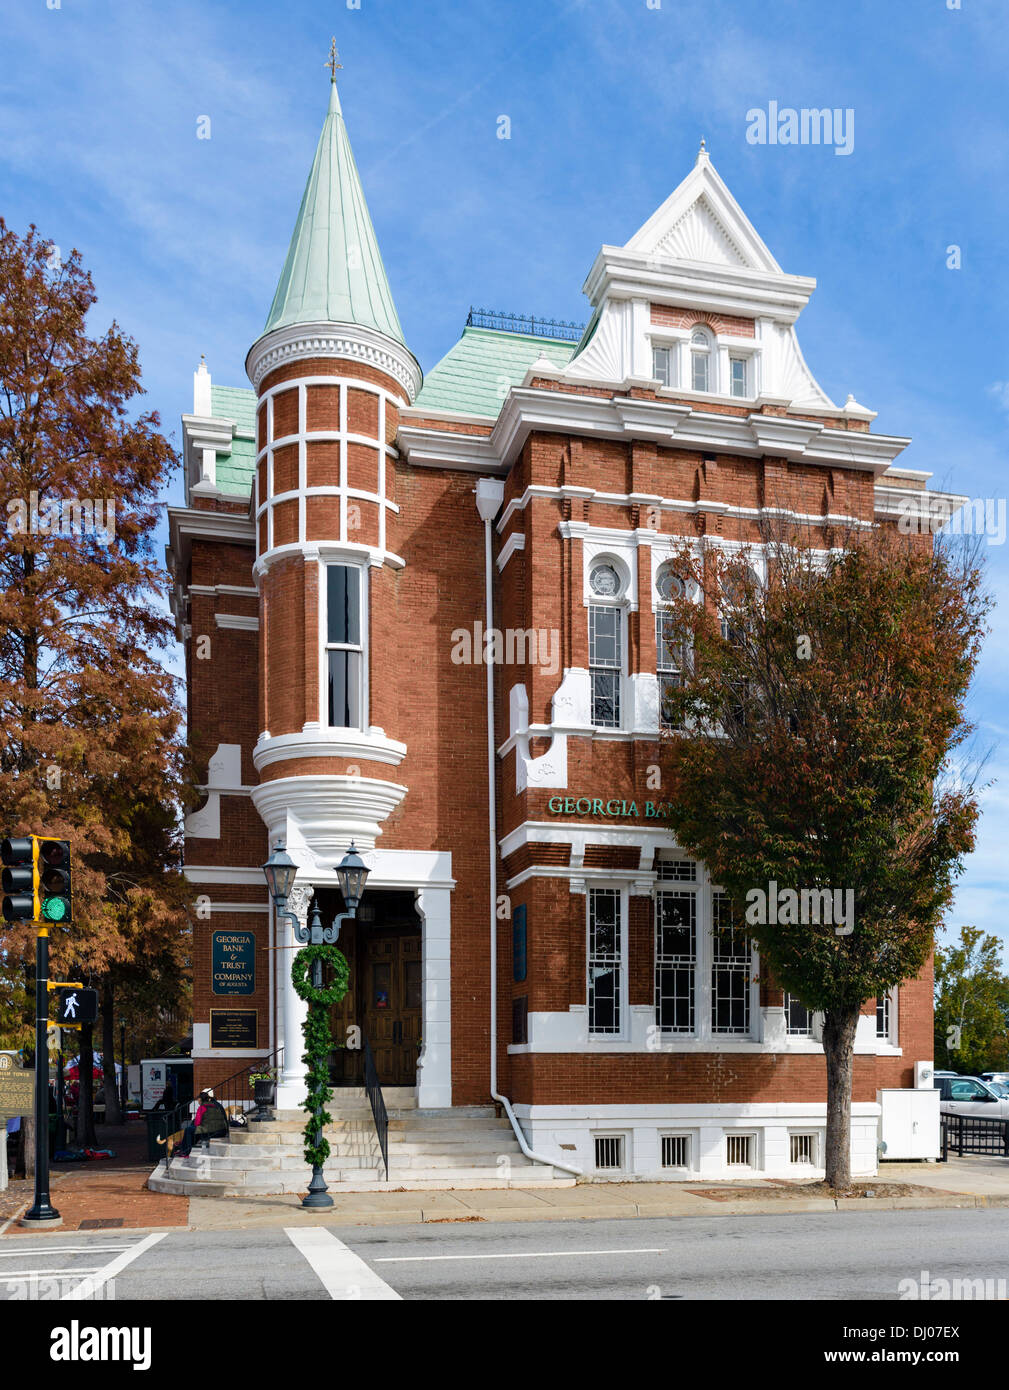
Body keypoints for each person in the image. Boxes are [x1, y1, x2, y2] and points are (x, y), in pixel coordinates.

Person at [174, 1089, 229, 1156]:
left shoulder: (202, 1107)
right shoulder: (215, 1106)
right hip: (222, 1130)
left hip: (212, 1132)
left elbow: (197, 1123)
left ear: (200, 1100)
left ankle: (186, 1151)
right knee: (195, 1130)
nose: (197, 1101)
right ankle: (183, 1146)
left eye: (198, 1099)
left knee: (188, 1129)